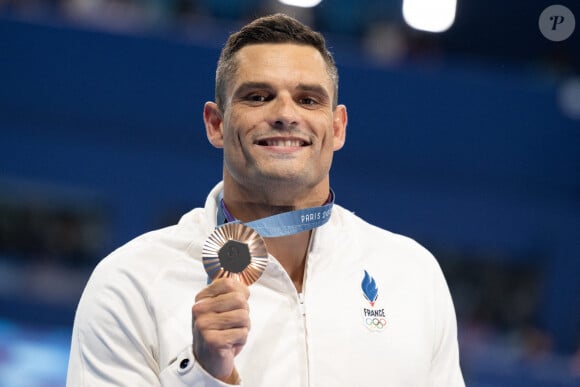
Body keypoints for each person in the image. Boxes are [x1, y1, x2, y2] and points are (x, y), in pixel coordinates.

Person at [67, 13, 464, 386]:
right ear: (216, 124)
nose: (285, 114)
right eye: (258, 96)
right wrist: (204, 372)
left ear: (337, 127)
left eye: (308, 99)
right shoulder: (131, 284)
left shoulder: (411, 275)